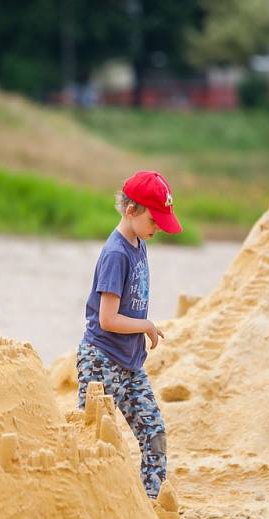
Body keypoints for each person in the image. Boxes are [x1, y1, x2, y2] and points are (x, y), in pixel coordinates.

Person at [77, 171, 182, 499]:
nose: (158, 228)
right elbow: (107, 319)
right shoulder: (116, 254)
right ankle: (87, 502)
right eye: (155, 219)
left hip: (131, 362)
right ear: (131, 210)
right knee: (94, 440)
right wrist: (146, 326)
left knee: (154, 433)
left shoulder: (139, 243)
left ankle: (151, 509)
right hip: (101, 361)